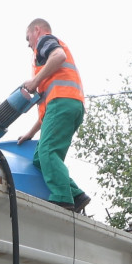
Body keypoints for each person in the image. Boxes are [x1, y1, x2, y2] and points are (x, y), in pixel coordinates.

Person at [17, 18, 91, 214]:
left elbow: (58, 56)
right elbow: (48, 111)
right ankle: (76, 195)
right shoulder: (48, 69)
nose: (28, 44)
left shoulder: (45, 40)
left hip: (63, 103)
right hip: (69, 106)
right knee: (39, 159)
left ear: (37, 30)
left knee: (48, 152)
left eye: (28, 38)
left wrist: (35, 81)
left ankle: (62, 198)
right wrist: (31, 133)